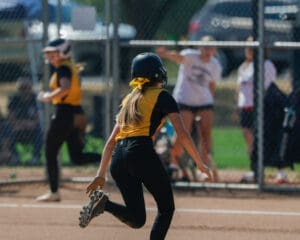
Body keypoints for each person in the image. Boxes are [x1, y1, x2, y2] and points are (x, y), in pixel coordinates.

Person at [78, 52, 212, 240]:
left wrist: (100, 175)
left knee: (137, 218)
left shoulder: (128, 100)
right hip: (140, 152)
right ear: (157, 74)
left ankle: (105, 204)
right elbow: (182, 134)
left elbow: (110, 142)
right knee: (166, 208)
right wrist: (199, 162)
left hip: (118, 158)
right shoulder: (162, 96)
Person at [36, 38, 101, 201]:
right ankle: (113, 157)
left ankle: (54, 192)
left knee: (50, 151)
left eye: (54, 52)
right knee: (77, 157)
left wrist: (46, 96)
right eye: (49, 53)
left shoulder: (63, 68)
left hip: (65, 113)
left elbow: (65, 89)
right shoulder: (69, 67)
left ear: (64, 52)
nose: (50, 55)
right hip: (77, 113)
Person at [156, 35, 222, 182]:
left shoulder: (215, 65)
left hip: (204, 101)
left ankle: (203, 168)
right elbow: (177, 57)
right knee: (182, 132)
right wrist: (165, 54)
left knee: (205, 134)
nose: (207, 50)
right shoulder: (191, 56)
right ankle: (173, 164)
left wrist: (208, 100)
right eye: (204, 47)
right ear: (199, 47)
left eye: (210, 47)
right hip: (184, 99)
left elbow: (212, 85)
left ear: (215, 50)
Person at [237, 36, 287, 184]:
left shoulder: (266, 64)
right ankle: (255, 170)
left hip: (260, 108)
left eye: (253, 47)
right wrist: (237, 106)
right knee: (250, 143)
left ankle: (281, 171)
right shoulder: (243, 66)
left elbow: (269, 89)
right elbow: (239, 89)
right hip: (245, 108)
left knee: (268, 140)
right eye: (248, 47)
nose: (250, 50)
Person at [7, 77, 43, 166]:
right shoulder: (14, 100)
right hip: (18, 130)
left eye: (26, 87)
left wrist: (27, 124)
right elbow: (11, 119)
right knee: (7, 129)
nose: (24, 90)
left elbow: (38, 119)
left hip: (33, 130)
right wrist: (24, 124)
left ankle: (35, 157)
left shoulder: (37, 100)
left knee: (40, 129)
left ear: (31, 88)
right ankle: (15, 157)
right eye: (21, 88)